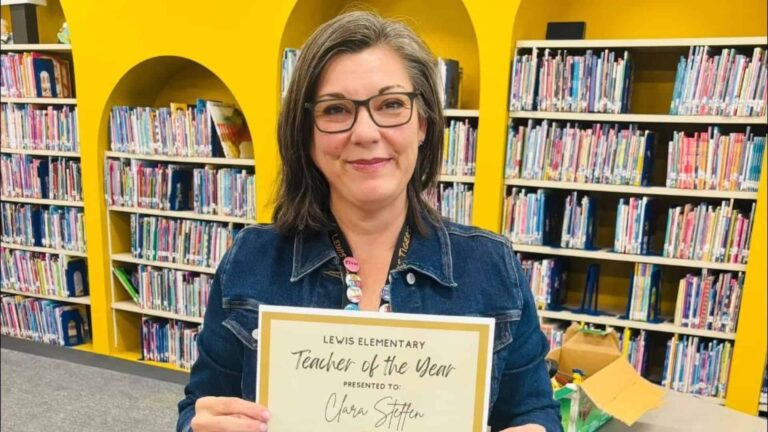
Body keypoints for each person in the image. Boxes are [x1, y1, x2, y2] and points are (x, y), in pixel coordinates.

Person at [177, 11, 561, 432]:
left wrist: (536, 428)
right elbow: (199, 406)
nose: (365, 132)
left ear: (423, 124)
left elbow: (535, 410)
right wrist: (198, 426)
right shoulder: (251, 261)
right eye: (336, 109)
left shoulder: (492, 267)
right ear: (306, 134)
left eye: (391, 105)